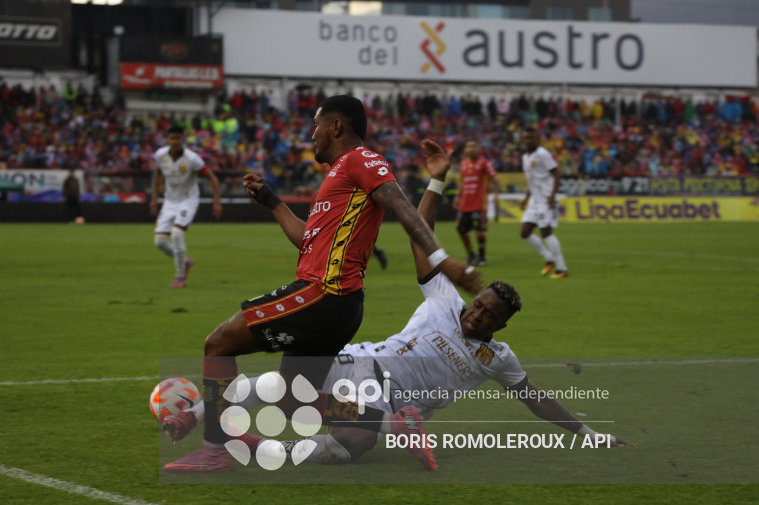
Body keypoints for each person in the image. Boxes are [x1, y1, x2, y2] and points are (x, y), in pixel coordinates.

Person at [163, 138, 628, 468]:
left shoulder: (498, 358)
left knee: (346, 448)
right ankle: (196, 415)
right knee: (277, 388)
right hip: (358, 365)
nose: (477, 313)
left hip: (385, 399)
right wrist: (436, 181)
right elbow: (420, 235)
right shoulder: (445, 299)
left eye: (489, 315)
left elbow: (536, 400)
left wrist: (589, 434)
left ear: (500, 326)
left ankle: (256, 446)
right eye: (479, 304)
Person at [162, 95, 482, 473]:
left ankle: (216, 450)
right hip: (339, 303)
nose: (311, 134)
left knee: (218, 343)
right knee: (290, 398)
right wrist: (273, 201)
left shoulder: (362, 159)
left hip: (325, 292)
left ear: (336, 127)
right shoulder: (338, 176)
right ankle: (394, 424)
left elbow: (401, 206)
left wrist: (442, 260)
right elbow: (308, 240)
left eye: (315, 125)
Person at [150, 125, 222, 288]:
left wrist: (217, 201)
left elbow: (211, 177)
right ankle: (185, 261)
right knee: (160, 242)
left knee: (176, 235)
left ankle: (180, 276)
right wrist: (154, 198)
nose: (175, 141)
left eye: (178, 138)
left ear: (183, 139)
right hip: (169, 200)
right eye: (172, 138)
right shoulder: (160, 155)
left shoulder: (192, 159)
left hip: (188, 200)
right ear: (167, 140)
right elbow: (158, 173)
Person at [520, 127, 568, 278]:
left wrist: (552, 196)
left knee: (546, 232)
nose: (529, 141)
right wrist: (526, 198)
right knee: (525, 232)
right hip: (534, 203)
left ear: (537, 139)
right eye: (526, 138)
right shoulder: (525, 157)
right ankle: (549, 258)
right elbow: (532, 180)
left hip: (546, 201)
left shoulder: (542, 154)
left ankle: (562, 268)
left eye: (531, 138)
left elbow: (557, 173)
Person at [453, 138, 498, 266]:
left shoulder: (484, 163)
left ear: (479, 149)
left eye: (473, 146)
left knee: (479, 230)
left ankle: (482, 258)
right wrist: (457, 196)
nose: (471, 149)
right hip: (464, 204)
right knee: (460, 229)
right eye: (468, 146)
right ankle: (471, 254)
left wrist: (496, 194)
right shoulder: (463, 163)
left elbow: (494, 179)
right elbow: (462, 181)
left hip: (479, 204)